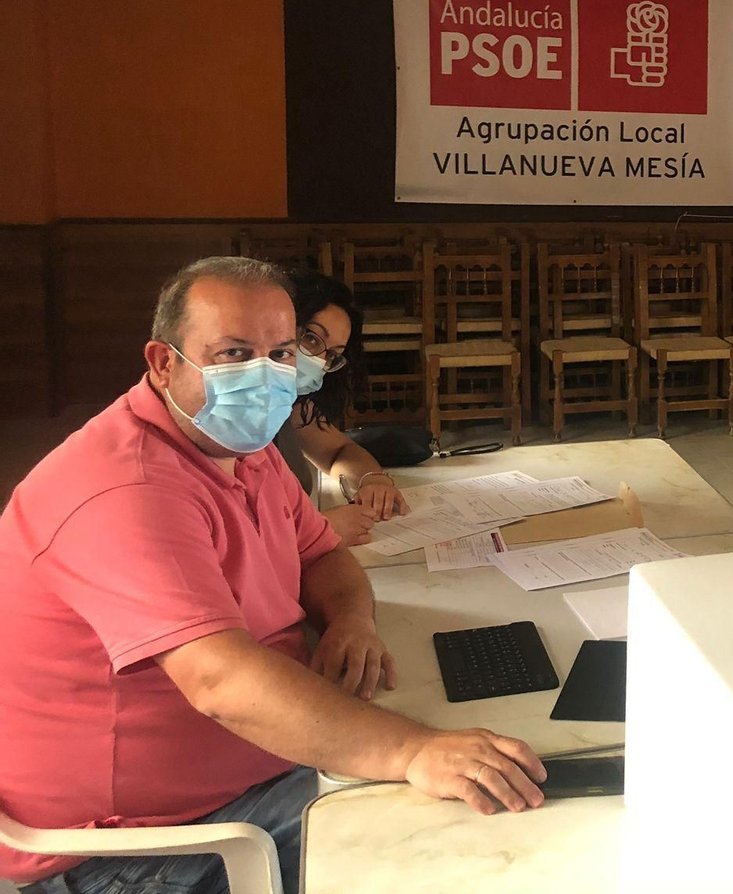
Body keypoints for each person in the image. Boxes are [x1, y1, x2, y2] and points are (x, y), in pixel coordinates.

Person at [0, 257, 545, 894]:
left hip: (250, 770)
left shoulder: (242, 450)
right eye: (233, 353)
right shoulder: (127, 487)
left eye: (282, 352)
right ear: (163, 361)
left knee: (503, 782)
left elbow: (321, 554)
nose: (262, 376)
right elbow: (221, 681)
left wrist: (350, 619)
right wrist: (411, 751)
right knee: (477, 843)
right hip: (136, 847)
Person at [277, 268, 409, 547]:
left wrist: (372, 480)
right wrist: (317, 531)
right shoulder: (228, 414)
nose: (319, 360)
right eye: (312, 338)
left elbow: (338, 451)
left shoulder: (290, 405)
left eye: (333, 355)